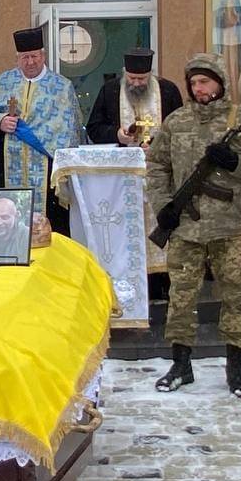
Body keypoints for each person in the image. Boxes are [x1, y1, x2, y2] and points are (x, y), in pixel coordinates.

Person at [146, 51, 241, 397]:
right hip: (186, 231)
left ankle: (236, 370)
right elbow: (157, 165)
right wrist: (164, 206)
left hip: (231, 229)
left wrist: (236, 162)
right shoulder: (176, 122)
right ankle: (180, 365)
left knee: (235, 298)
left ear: (220, 82)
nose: (198, 88)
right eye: (193, 83)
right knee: (180, 298)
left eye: (204, 81)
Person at [85, 48, 184, 298]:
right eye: (132, 79)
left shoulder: (168, 90)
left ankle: (162, 283)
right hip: (123, 180)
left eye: (142, 79)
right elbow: (95, 128)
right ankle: (127, 282)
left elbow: (182, 130)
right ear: (124, 74)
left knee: (161, 226)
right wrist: (117, 135)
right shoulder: (110, 91)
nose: (137, 83)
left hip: (160, 176)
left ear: (150, 75)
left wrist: (160, 144)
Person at [0, 26, 84, 234]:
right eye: (25, 57)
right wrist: (0, 122)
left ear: (43, 56)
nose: (30, 62)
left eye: (34, 56)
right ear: (17, 59)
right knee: (8, 223)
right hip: (7, 167)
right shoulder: (3, 82)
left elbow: (71, 131)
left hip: (48, 173)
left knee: (52, 229)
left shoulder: (61, 87)